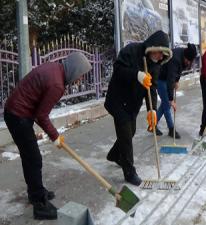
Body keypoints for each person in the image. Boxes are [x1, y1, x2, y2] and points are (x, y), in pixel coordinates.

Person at [4, 52, 92, 220]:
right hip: (18, 115)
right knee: (33, 158)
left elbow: (37, 110)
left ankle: (35, 192)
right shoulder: (57, 84)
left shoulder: (55, 68)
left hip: (18, 112)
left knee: (30, 156)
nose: (80, 79)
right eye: (80, 75)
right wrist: (55, 136)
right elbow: (42, 116)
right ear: (74, 70)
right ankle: (39, 205)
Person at [104, 30, 172, 186]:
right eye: (160, 53)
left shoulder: (155, 65)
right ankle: (129, 172)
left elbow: (152, 88)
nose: (161, 57)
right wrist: (137, 75)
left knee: (131, 131)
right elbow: (118, 70)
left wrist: (152, 109)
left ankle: (114, 155)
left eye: (163, 56)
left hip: (133, 104)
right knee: (126, 136)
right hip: (118, 101)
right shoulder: (131, 50)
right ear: (154, 46)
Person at [150, 43, 197, 139]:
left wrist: (177, 81)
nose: (188, 63)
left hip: (167, 78)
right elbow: (169, 80)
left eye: (190, 61)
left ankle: (152, 124)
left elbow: (179, 71)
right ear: (185, 56)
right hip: (160, 78)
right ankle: (171, 129)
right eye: (188, 60)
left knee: (164, 104)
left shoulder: (184, 57)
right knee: (167, 104)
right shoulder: (175, 59)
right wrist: (171, 99)